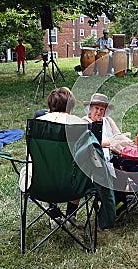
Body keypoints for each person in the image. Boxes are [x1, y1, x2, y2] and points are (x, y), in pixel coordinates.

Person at [19, 87, 116, 229]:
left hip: (39, 186)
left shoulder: (37, 125)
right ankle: (71, 215)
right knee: (79, 169)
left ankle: (54, 214)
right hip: (74, 186)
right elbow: (95, 159)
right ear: (71, 107)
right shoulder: (81, 126)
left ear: (49, 106)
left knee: (38, 170)